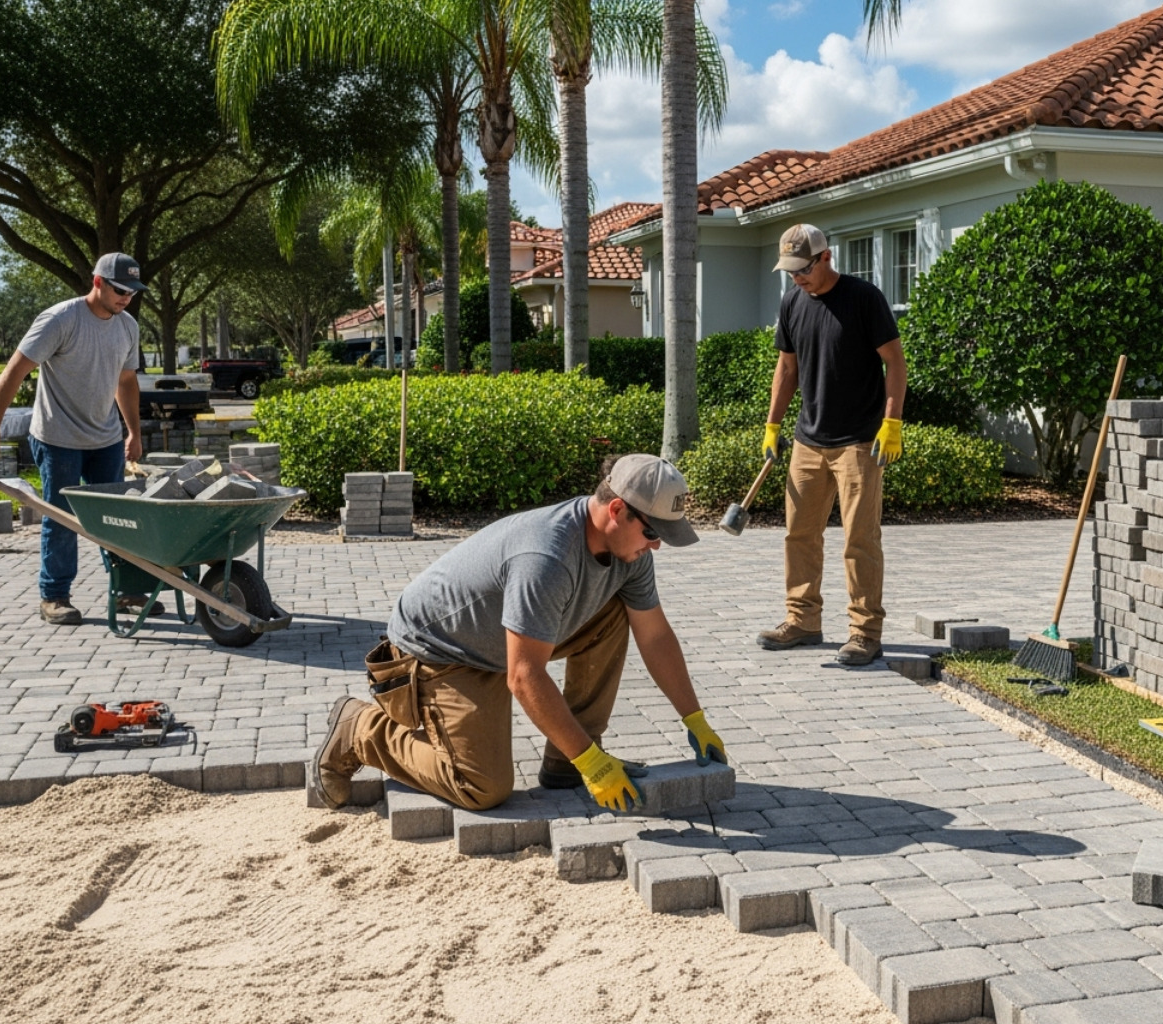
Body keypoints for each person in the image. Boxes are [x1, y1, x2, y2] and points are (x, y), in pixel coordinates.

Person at [311, 453, 729, 813]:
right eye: (653, 532)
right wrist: (594, 764)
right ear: (617, 510)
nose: (655, 546)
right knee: (481, 787)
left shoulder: (629, 553)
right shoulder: (546, 557)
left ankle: (568, 760)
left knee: (620, 612)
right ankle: (359, 728)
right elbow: (524, 675)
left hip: (501, 639)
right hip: (440, 653)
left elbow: (654, 635)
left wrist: (694, 718)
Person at [756, 224, 907, 667]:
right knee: (799, 535)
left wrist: (891, 422)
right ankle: (802, 620)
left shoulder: (864, 298)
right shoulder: (792, 302)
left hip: (859, 441)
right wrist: (772, 426)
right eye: (789, 272)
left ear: (826, 258)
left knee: (860, 540)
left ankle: (865, 632)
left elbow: (894, 362)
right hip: (808, 440)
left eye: (802, 269)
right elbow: (787, 369)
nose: (796, 279)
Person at [0, 253, 149, 626]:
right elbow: (16, 369)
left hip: (104, 437)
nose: (126, 298)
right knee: (60, 517)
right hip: (58, 437)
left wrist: (133, 431)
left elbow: (125, 382)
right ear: (98, 282)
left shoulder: (127, 327)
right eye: (120, 290)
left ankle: (126, 590)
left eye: (133, 292)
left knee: (117, 516)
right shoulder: (61, 319)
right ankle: (54, 596)